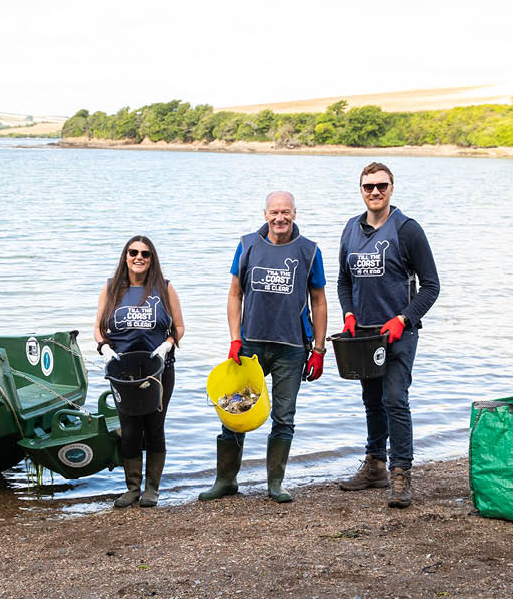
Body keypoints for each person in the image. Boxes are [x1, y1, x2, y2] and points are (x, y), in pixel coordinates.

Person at [199, 191, 327, 503]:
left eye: (285, 212)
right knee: (234, 411)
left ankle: (275, 484)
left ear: (295, 213)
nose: (279, 218)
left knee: (284, 416)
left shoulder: (309, 251)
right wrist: (234, 338)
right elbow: (234, 294)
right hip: (250, 345)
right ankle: (225, 481)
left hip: (292, 347)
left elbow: (319, 300)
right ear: (265, 213)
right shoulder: (247, 246)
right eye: (274, 212)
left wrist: (320, 350)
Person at [337, 163, 440, 508]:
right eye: (368, 187)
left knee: (395, 399)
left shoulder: (407, 230)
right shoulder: (351, 229)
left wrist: (403, 318)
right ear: (361, 190)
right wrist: (349, 313)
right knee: (372, 400)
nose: (375, 192)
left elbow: (431, 287)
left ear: (392, 188)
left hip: (399, 333)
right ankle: (375, 464)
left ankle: (400, 474)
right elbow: (344, 281)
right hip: (364, 335)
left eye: (381, 185)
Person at [94, 236, 184, 508]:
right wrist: (104, 347)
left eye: (145, 253)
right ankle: (132, 488)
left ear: (152, 259)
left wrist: (168, 345)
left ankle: (152, 489)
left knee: (155, 427)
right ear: (126, 256)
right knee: (130, 430)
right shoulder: (111, 289)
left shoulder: (165, 288)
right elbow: (98, 327)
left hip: (158, 369)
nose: (139, 257)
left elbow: (178, 327)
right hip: (124, 373)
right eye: (133, 252)